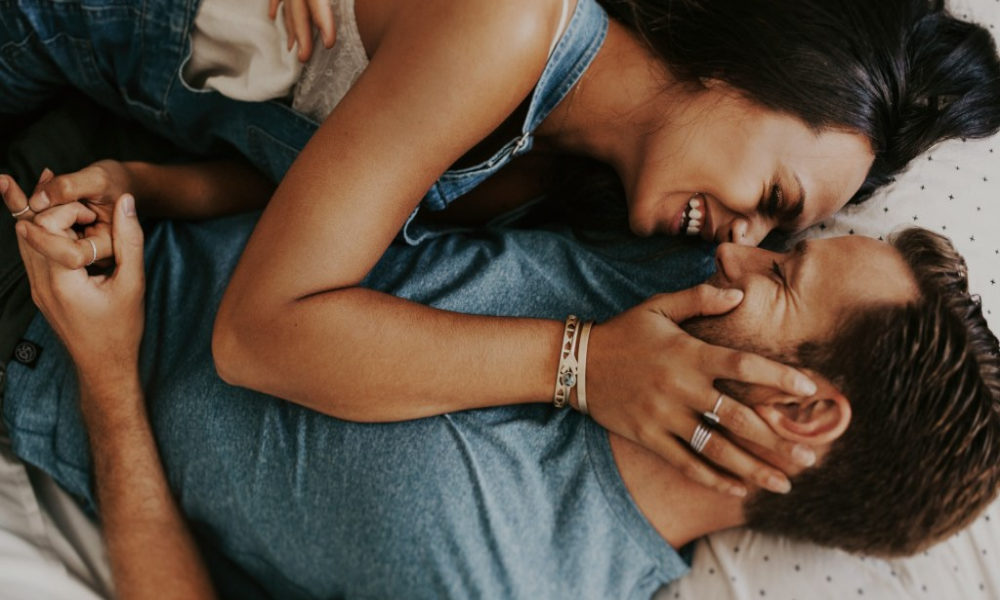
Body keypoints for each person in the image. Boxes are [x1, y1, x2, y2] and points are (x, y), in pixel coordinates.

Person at [5, 0, 1000, 497]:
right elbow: (257, 337)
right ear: (754, 68)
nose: (743, 240)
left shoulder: (550, 168)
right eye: (774, 199)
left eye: (777, 237)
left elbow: (335, 183)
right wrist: (584, 366)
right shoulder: (511, 25)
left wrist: (153, 185)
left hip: (102, 95)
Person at [4, 182, 999, 597]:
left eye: (781, 278)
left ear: (801, 411)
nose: (741, 249)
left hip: (41, 371)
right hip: (98, 200)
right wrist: (152, 182)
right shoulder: (673, 281)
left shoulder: (517, 581)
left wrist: (105, 375)